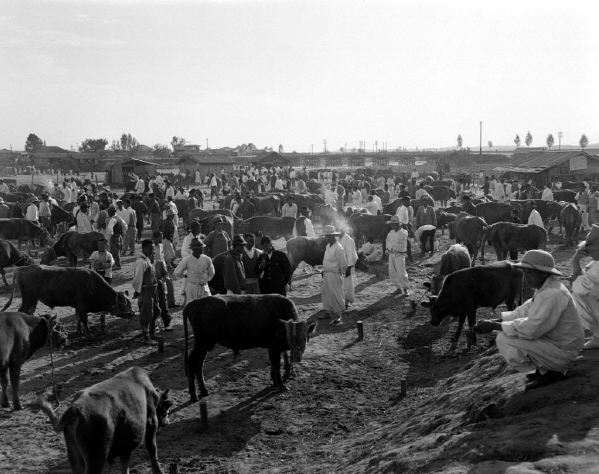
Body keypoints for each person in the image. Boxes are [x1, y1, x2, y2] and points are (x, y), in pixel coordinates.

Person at [475, 250, 584, 390]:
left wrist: (495, 325)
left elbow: (532, 328)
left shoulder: (552, 294)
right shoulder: (546, 288)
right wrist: (497, 320)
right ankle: (543, 369)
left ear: (544, 273)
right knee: (506, 332)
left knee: (505, 338)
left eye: (530, 273)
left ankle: (552, 370)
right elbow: (523, 310)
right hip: (558, 345)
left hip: (563, 353)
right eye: (525, 273)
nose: (526, 278)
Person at [571, 226, 599, 349]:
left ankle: (598, 336)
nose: (590, 253)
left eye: (592, 250)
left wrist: (576, 261)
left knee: (579, 296)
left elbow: (578, 287)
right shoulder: (596, 264)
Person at [132, 239, 161, 344]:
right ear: (143, 248)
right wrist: (138, 291)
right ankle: (146, 337)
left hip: (152, 289)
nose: (152, 251)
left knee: (156, 311)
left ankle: (152, 332)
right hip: (146, 290)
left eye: (153, 249)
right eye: (150, 249)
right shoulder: (141, 262)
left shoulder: (148, 260)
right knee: (146, 314)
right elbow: (137, 278)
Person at [320, 225, 347, 323]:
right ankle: (327, 311)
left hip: (335, 274)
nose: (325, 238)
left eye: (327, 236)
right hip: (327, 272)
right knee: (326, 292)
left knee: (336, 293)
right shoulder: (328, 246)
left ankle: (337, 313)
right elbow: (325, 260)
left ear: (332, 236)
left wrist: (339, 273)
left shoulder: (339, 248)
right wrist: (324, 270)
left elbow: (343, 264)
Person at [174, 238, 214, 304]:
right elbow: (177, 272)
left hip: (204, 287)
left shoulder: (207, 259)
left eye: (202, 247)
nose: (202, 249)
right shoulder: (187, 260)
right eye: (200, 248)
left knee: (207, 305)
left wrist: (207, 280)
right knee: (192, 306)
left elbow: (212, 272)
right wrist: (185, 275)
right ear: (194, 249)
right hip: (192, 287)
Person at [385, 215, 410, 296]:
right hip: (391, 254)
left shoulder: (403, 232)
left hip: (399, 254)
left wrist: (400, 228)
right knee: (392, 272)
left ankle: (405, 288)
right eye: (391, 224)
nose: (391, 225)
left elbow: (402, 240)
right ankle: (398, 288)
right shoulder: (390, 233)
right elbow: (387, 242)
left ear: (397, 224)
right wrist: (388, 249)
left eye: (393, 224)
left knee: (401, 272)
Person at [339, 229, 358, 308]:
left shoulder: (348, 240)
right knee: (341, 285)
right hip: (341, 265)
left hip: (348, 265)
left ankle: (346, 302)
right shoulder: (339, 239)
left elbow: (350, 254)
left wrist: (349, 267)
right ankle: (341, 301)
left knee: (347, 285)